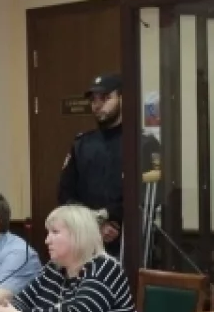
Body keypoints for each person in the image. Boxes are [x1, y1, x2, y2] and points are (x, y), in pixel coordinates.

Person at [0, 204, 141, 312]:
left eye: (55, 232)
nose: (47, 240)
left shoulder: (105, 267)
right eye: (48, 233)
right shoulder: (54, 268)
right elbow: (23, 301)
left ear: (79, 236)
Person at [57, 73, 160, 258]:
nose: (97, 105)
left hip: (129, 242)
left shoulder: (142, 143)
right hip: (85, 240)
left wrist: (112, 219)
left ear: (122, 98)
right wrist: (94, 224)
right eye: (93, 100)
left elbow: (149, 196)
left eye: (105, 98)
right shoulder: (82, 144)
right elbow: (65, 194)